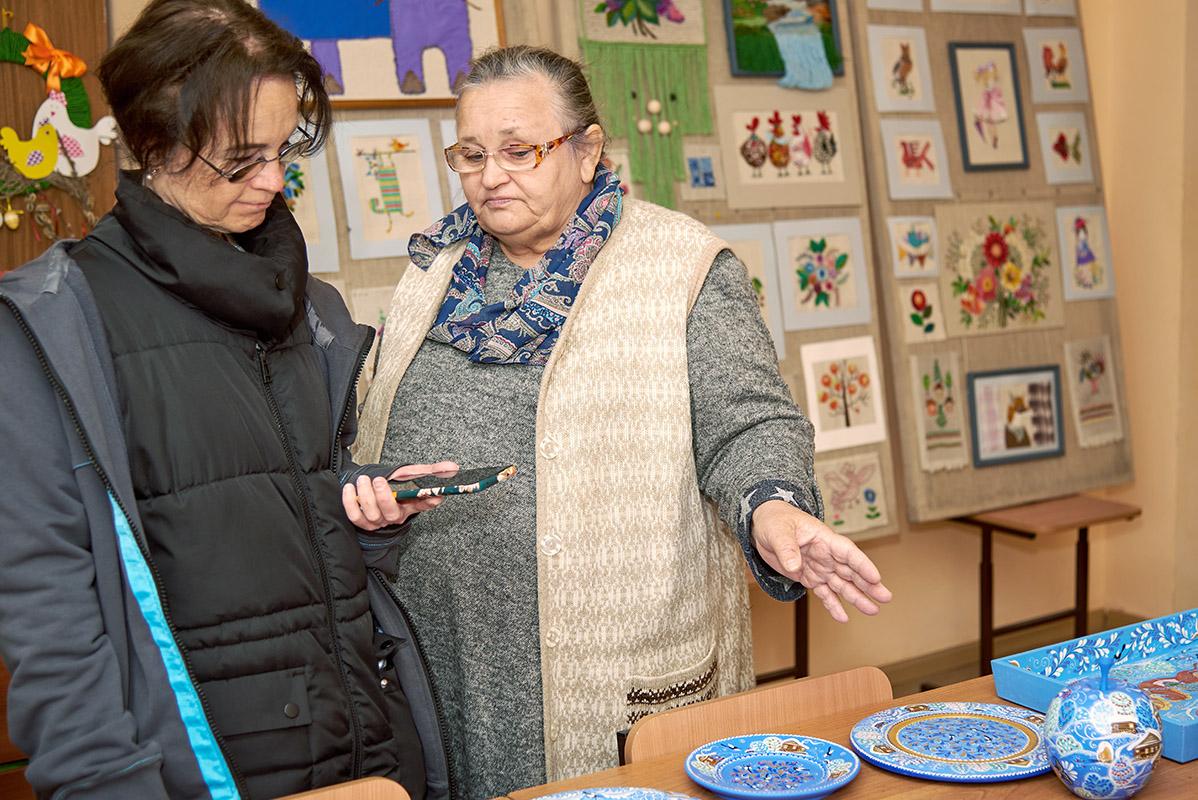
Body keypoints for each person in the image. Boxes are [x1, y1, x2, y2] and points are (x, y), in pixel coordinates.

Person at [353, 45, 894, 798]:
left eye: (519, 150)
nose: (490, 175)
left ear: (586, 150)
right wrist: (368, 490)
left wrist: (772, 504)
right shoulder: (430, 272)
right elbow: (372, 427)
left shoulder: (682, 267)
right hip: (442, 661)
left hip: (618, 670)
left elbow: (748, 421)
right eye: (471, 154)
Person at [0, 2, 455, 798]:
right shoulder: (56, 326)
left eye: (286, 150)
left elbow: (296, 526)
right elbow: (50, 617)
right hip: (204, 770)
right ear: (150, 144)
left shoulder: (308, 306)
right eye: (242, 159)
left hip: (369, 751)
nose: (275, 181)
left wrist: (372, 525)